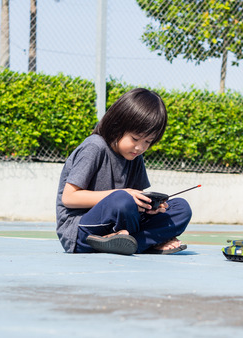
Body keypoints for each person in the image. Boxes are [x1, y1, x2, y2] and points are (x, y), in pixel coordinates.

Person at [56, 88, 192, 255]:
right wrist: (121, 193)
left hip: (122, 227)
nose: (140, 147)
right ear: (117, 126)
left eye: (148, 141)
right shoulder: (94, 147)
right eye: (135, 138)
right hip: (81, 232)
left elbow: (133, 206)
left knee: (181, 208)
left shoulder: (135, 157)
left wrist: (150, 207)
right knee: (122, 199)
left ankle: (130, 242)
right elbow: (69, 198)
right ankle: (147, 242)